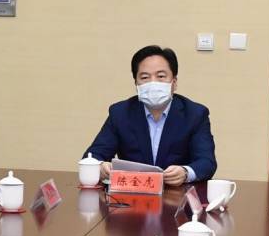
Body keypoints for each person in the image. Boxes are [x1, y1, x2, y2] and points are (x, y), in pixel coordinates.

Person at [86, 45, 216, 187]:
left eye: (161, 76)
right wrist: (101, 166)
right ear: (136, 84)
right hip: (132, 194)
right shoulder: (120, 113)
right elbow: (92, 156)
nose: (153, 83)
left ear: (174, 82)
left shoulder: (195, 114)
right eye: (145, 77)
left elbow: (206, 162)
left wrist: (185, 172)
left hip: (176, 194)